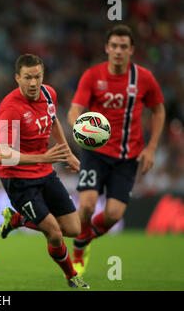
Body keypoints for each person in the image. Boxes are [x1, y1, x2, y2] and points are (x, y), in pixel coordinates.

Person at [67, 24, 165, 275]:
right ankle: (79, 247)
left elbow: (159, 109)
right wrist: (80, 126)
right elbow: (75, 109)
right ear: (106, 48)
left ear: (131, 50)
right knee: (87, 206)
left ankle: (83, 239)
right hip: (96, 153)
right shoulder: (93, 76)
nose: (118, 51)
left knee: (113, 214)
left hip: (128, 157)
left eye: (124, 47)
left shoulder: (143, 78)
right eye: (114, 46)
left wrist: (152, 147)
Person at [0, 54, 90, 288]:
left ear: (43, 76)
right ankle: (72, 277)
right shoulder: (10, 108)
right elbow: (1, 154)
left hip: (45, 173)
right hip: (18, 179)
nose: (33, 83)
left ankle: (18, 219)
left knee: (73, 228)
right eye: (27, 77)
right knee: (55, 233)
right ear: (17, 78)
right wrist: (43, 157)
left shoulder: (49, 93)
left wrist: (68, 153)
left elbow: (53, 120)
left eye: (37, 76)